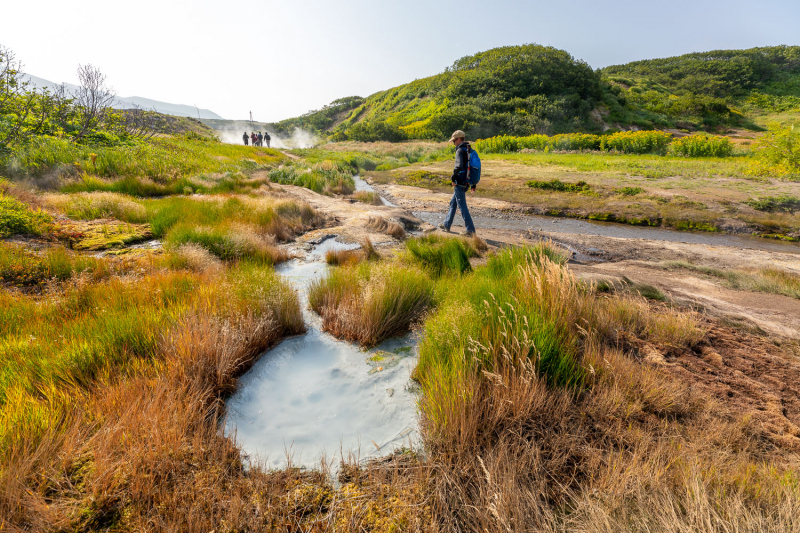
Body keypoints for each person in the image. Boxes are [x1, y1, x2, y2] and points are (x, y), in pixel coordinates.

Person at [440, 130, 476, 236]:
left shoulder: (460, 151)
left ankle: (470, 230)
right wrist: (473, 183)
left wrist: (453, 178)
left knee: (462, 206)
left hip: (459, 182)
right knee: (453, 203)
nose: (453, 143)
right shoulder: (469, 149)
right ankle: (447, 224)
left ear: (459, 139)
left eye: (454, 141)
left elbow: (459, 166)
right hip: (466, 181)